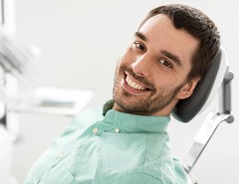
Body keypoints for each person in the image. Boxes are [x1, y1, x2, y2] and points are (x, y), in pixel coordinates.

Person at [24, 4, 220, 184]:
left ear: (187, 88)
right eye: (140, 46)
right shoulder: (88, 119)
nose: (138, 66)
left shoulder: (144, 177)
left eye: (165, 63)